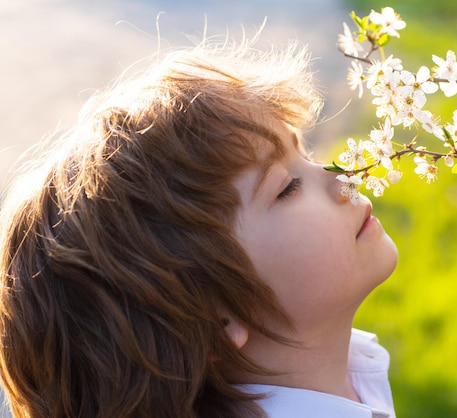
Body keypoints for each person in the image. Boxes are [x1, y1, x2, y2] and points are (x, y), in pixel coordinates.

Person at [0, 33, 398, 418]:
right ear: (218, 323)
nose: (340, 175)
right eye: (287, 188)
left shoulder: (354, 371)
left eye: (304, 151)